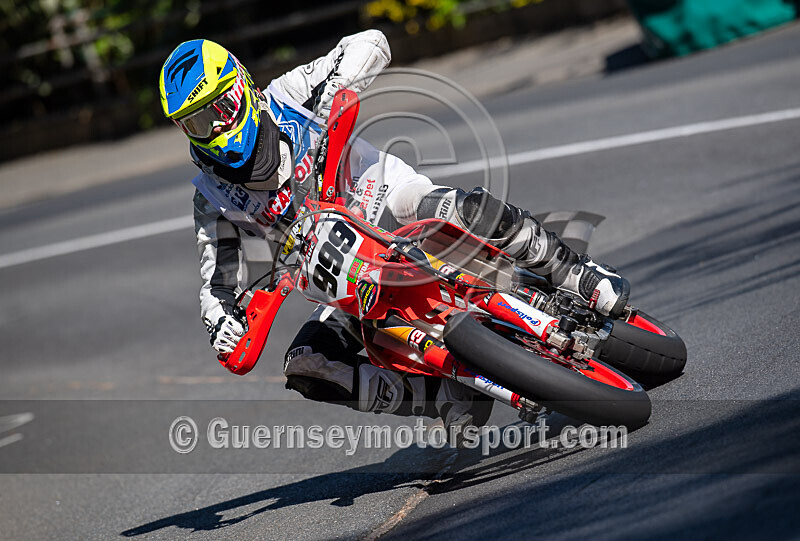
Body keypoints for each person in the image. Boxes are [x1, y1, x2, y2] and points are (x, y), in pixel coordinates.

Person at [159, 31, 630, 438]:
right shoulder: (212, 196)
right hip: (344, 275)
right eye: (196, 123)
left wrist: (338, 86)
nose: (214, 128)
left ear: (239, 86)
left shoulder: (290, 94)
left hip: (389, 202)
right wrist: (222, 323)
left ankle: (577, 274)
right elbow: (218, 281)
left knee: (464, 207)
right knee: (306, 364)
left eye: (218, 109)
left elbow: (370, 42)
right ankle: (439, 396)